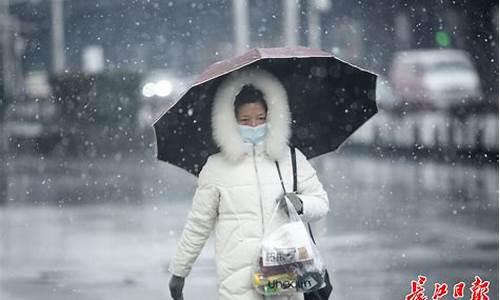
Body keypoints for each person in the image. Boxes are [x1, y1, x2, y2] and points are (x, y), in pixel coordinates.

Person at [168, 68, 330, 300]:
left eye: (261, 118)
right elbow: (198, 224)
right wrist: (179, 272)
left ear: (271, 117)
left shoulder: (291, 158)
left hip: (285, 281)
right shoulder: (216, 168)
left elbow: (322, 203)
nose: (254, 125)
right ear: (231, 121)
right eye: (245, 120)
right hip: (238, 286)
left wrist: (300, 203)